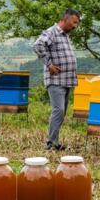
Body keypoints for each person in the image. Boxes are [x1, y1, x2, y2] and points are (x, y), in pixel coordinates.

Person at [33, 9, 81, 150]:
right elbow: (37, 45)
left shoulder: (65, 35)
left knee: (62, 112)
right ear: (65, 19)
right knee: (58, 110)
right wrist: (49, 65)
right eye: (74, 22)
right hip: (56, 80)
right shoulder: (52, 32)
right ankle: (51, 144)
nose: (75, 26)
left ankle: (55, 142)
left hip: (65, 80)